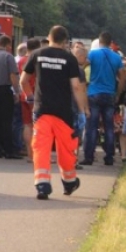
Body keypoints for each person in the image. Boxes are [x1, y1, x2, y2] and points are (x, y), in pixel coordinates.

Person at [21, 25, 89, 200]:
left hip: (42, 109)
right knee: (66, 148)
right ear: (65, 41)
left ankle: (42, 185)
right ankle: (69, 182)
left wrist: (29, 96)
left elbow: (23, 80)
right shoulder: (69, 58)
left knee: (41, 147)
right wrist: (81, 111)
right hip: (63, 112)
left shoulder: (37, 55)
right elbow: (76, 86)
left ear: (49, 37)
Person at [80, 31, 126, 166]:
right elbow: (123, 77)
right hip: (109, 94)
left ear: (99, 42)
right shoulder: (116, 57)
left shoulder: (93, 54)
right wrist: (118, 92)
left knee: (91, 127)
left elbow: (82, 67)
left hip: (93, 93)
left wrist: (83, 84)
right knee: (109, 127)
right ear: (110, 43)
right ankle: (109, 157)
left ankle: (89, 157)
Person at [17, 37, 41, 160]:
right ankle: (37, 155)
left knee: (27, 125)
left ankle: (29, 153)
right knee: (38, 126)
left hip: (23, 95)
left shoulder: (20, 60)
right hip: (34, 95)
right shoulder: (36, 60)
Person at [72, 45, 89, 168]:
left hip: (62, 105)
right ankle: (74, 160)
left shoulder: (64, 67)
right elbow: (82, 90)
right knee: (75, 135)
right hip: (75, 106)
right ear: (80, 56)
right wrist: (84, 108)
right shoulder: (79, 71)